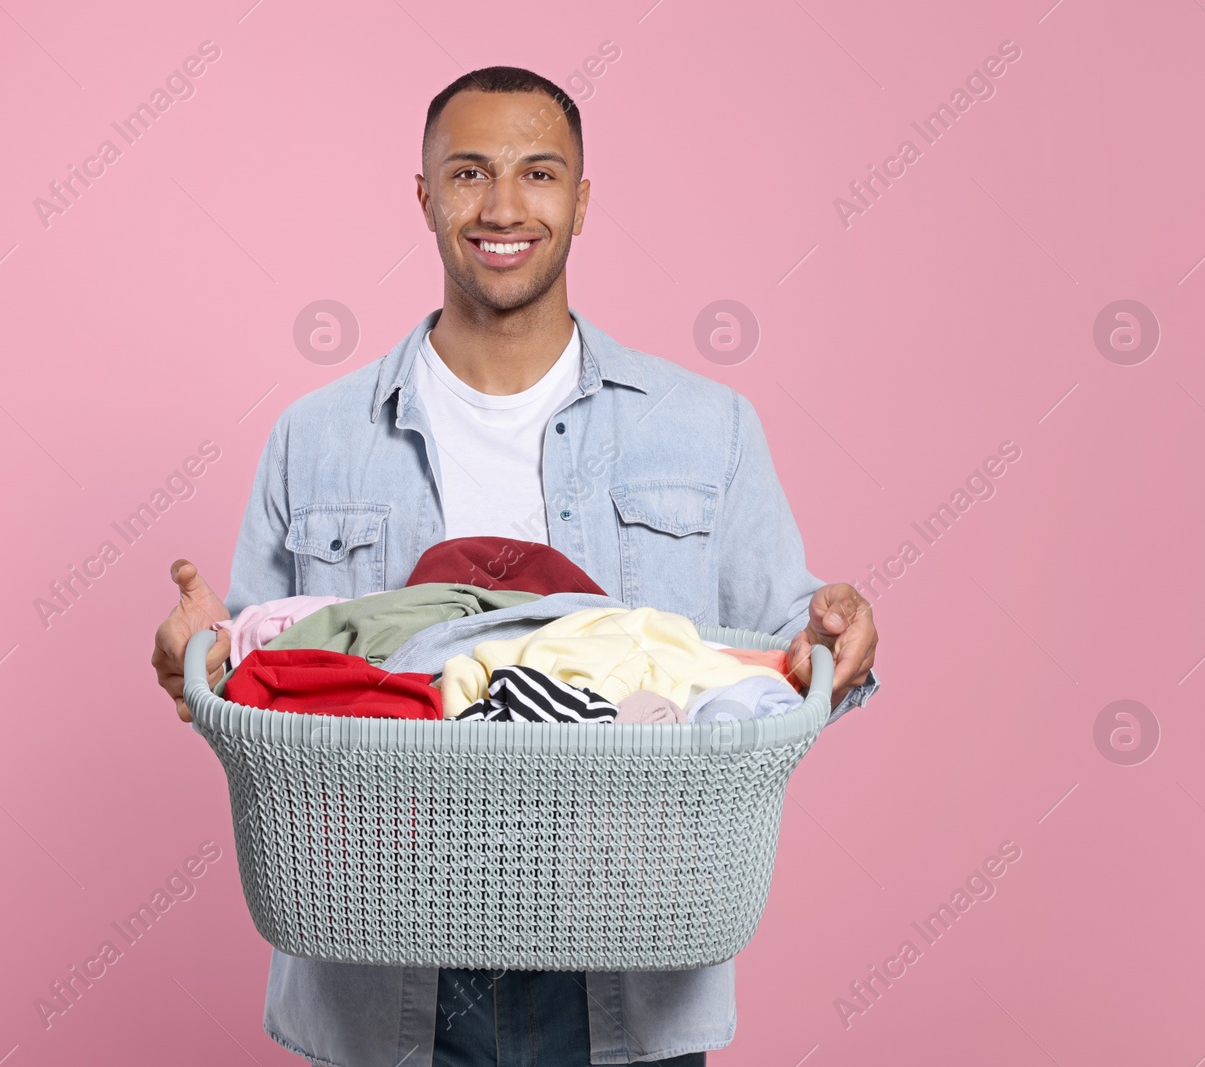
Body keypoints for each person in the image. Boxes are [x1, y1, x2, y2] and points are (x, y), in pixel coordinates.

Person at [151, 65, 879, 1067]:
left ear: (581, 201)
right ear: (423, 196)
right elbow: (257, 687)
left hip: (631, 961)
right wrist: (192, 664)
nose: (501, 206)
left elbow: (781, 670)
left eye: (538, 173)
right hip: (383, 963)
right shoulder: (313, 437)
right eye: (467, 173)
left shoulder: (706, 429)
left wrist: (836, 636)